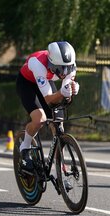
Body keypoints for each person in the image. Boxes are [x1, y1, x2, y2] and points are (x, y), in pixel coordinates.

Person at [16, 41, 79, 172]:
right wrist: (62, 92)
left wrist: (71, 89)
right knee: (40, 119)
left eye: (67, 68)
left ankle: (59, 167)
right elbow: (49, 99)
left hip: (46, 81)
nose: (64, 72)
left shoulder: (70, 65)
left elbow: (66, 90)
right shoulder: (37, 63)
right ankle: (25, 146)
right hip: (27, 84)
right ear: (51, 62)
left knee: (58, 126)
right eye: (60, 68)